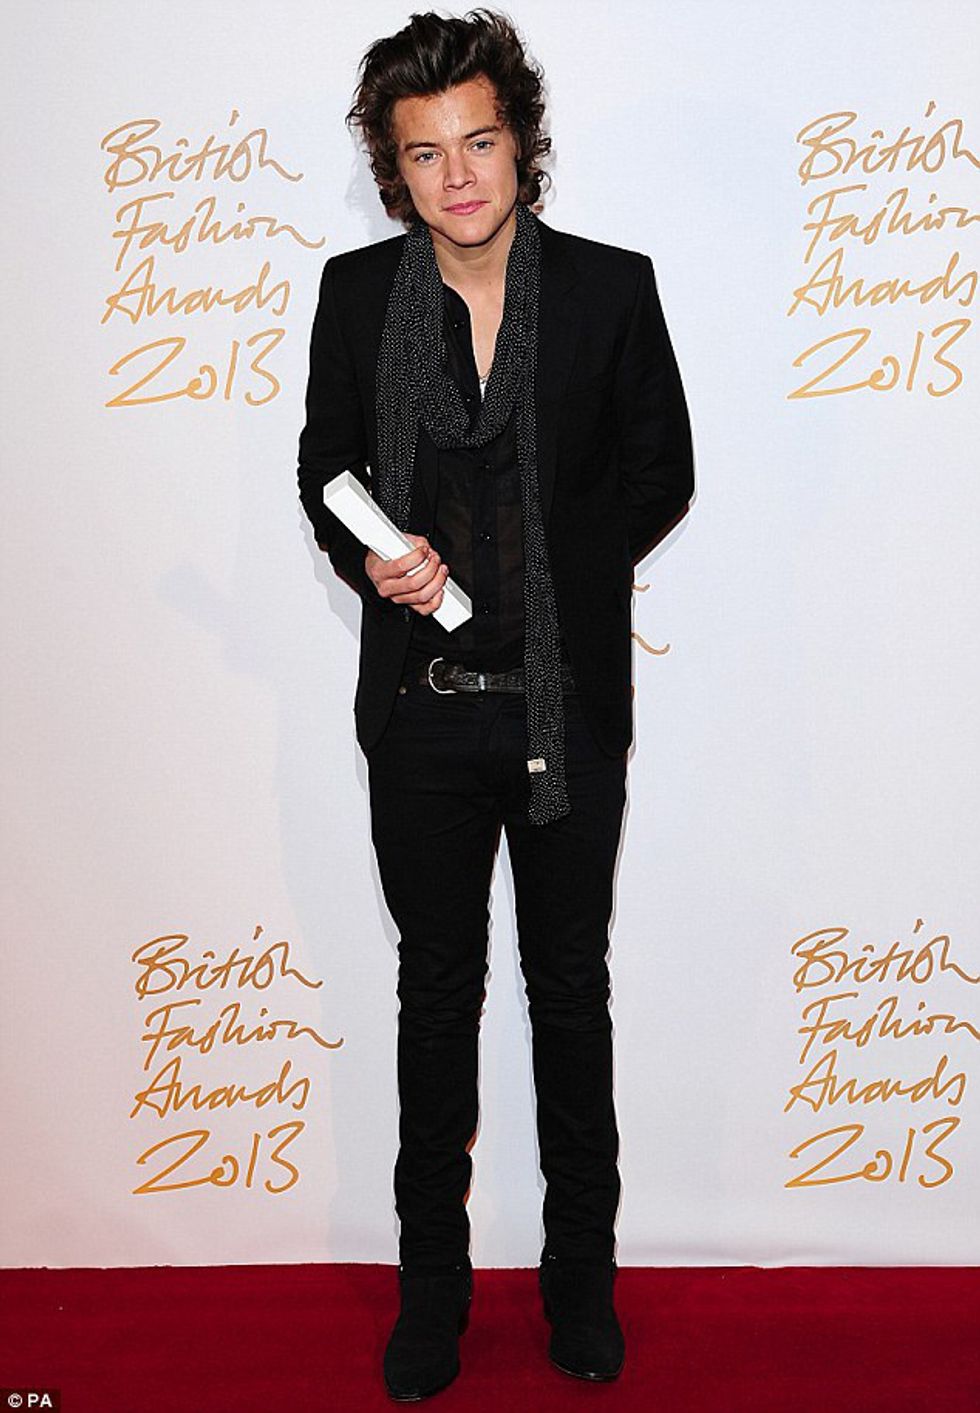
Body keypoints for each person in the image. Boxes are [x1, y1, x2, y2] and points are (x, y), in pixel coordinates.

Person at [298, 9, 694, 1400]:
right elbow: (325, 470)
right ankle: (433, 1294)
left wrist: (548, 566)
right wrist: (373, 554)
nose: (457, 176)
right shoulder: (357, 296)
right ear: (394, 171)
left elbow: (662, 473)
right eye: (425, 154)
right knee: (435, 1001)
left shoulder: (610, 289)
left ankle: (581, 1280)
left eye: (479, 141)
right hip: (422, 714)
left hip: (563, 709)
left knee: (570, 995)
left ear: (522, 142)